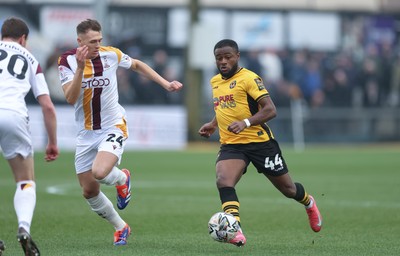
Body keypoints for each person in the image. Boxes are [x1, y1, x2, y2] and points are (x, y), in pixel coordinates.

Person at [57, 19, 183, 246]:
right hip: (86, 133)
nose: (97, 45)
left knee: (100, 171)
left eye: (99, 40)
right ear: (80, 41)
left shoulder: (111, 55)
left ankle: (122, 178)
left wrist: (165, 83)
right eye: (92, 42)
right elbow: (70, 97)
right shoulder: (66, 61)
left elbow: (136, 65)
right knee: (88, 191)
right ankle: (121, 227)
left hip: (113, 125)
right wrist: (79, 68)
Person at [198, 39, 322, 247]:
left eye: (228, 57)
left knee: (289, 189)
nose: (223, 61)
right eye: (219, 58)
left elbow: (270, 110)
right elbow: (225, 108)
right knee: (223, 180)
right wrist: (213, 124)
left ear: (237, 56)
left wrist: (245, 123)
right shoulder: (215, 82)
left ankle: (308, 202)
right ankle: (235, 230)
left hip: (260, 143)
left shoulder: (249, 78)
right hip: (232, 144)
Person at [0, 17, 59, 255]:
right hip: (13, 115)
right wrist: (52, 142)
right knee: (25, 181)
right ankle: (23, 228)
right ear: (23, 39)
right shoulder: (31, 59)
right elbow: (48, 107)